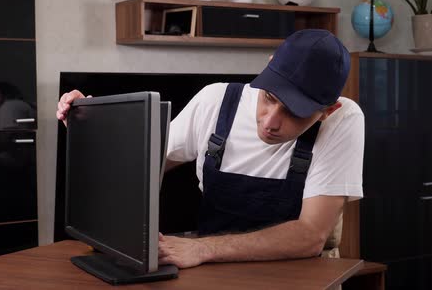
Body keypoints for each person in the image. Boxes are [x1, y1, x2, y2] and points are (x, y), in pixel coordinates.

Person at [56, 29, 364, 269]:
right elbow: (139, 166)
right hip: (211, 271)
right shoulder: (215, 101)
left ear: (328, 110)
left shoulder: (344, 119)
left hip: (298, 276)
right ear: (269, 66)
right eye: (269, 97)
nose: (270, 122)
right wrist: (88, 126)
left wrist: (201, 249)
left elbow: (310, 236)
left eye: (294, 112)